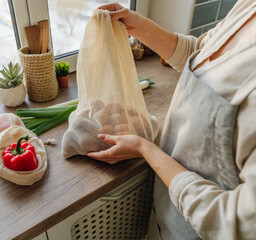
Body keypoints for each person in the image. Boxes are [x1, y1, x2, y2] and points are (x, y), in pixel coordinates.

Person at [87, 1, 256, 239]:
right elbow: (201, 52)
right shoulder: (248, 5)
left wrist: (145, 148)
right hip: (169, 211)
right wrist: (140, 27)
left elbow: (234, 224)